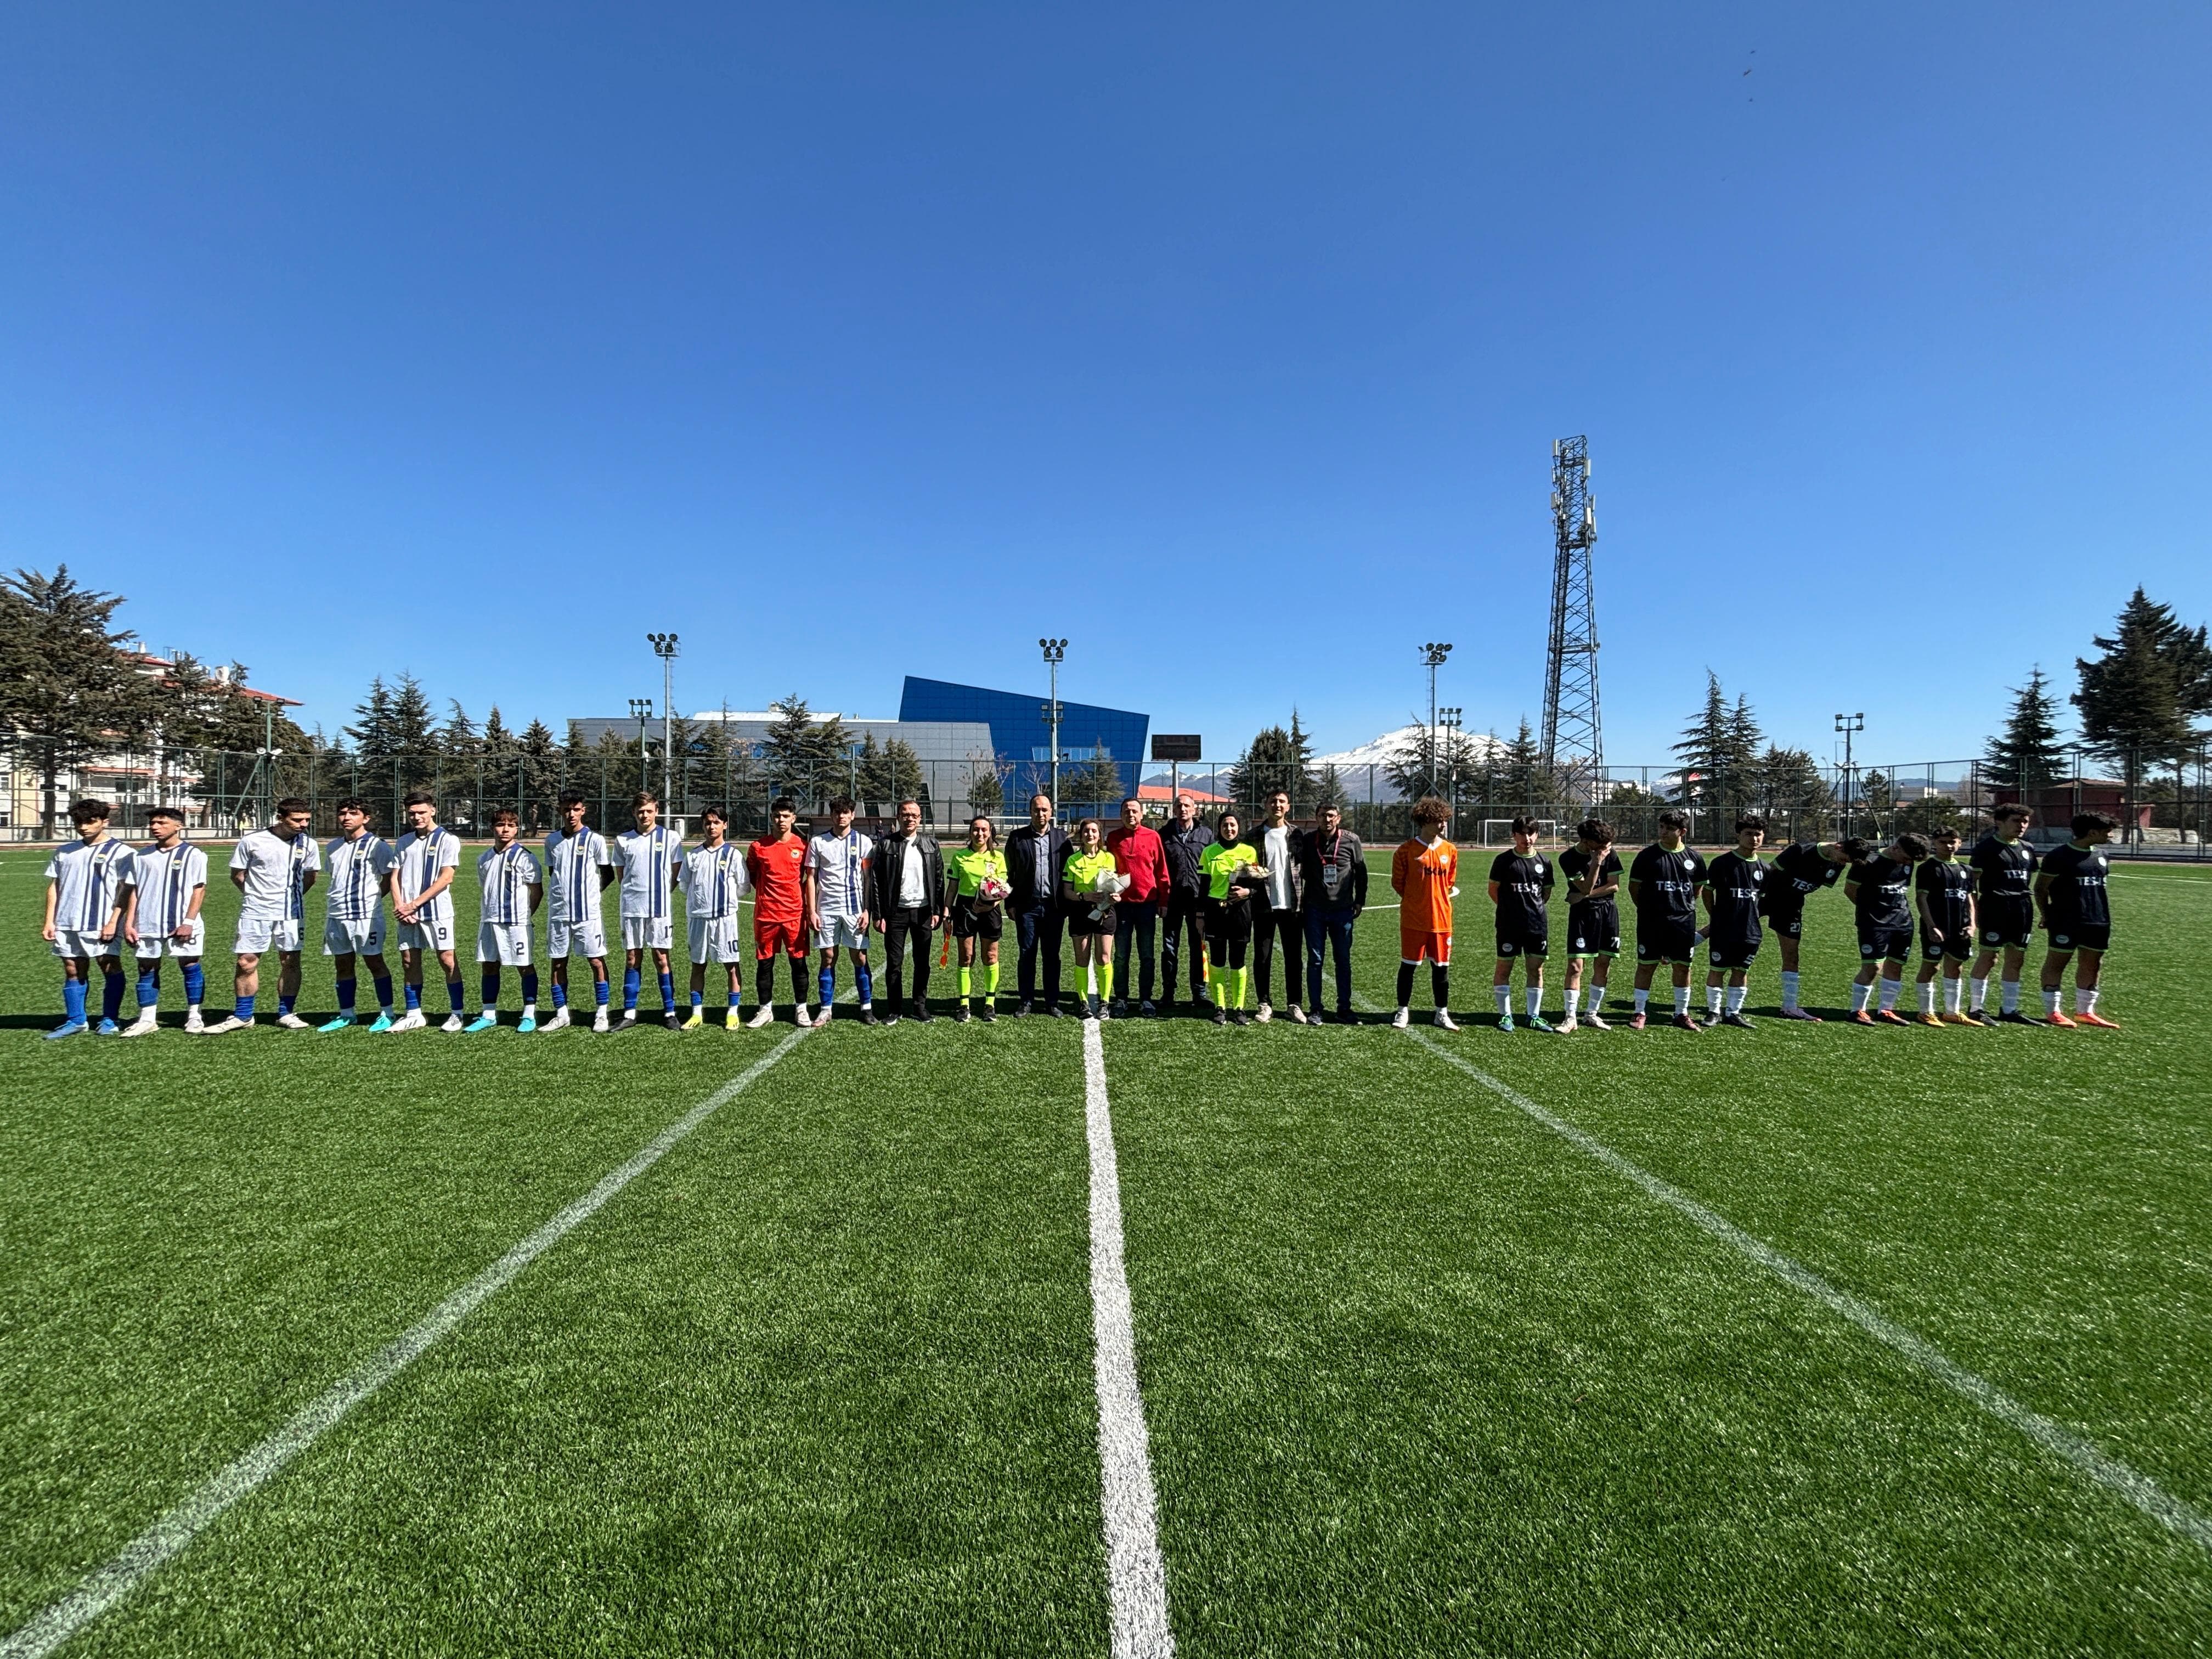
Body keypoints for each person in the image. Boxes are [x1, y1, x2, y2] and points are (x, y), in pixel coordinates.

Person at [205, 797, 320, 1035]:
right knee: (246, 962)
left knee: (290, 962)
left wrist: (292, 899)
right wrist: (256, 897)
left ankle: (286, 1013)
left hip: (291, 913)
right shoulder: (253, 841)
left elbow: (310, 877)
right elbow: (238, 875)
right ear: (280, 818)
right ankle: (243, 1015)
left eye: (307, 820)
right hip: (255, 911)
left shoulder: (309, 844)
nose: (303, 824)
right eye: (297, 820)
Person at [41, 798, 134, 1039]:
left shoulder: (123, 852)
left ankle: (110, 1019)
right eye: (79, 822)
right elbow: (55, 887)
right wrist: (50, 920)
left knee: (108, 966)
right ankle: (76, 1020)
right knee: (72, 969)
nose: (84, 827)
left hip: (101, 922)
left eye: (90, 822)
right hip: (67, 921)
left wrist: (114, 921)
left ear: (105, 822)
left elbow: (127, 890)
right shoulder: (65, 851)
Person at [120, 806, 207, 1036]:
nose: (155, 828)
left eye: (161, 823)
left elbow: (198, 890)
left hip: (182, 921)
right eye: (152, 824)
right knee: (146, 968)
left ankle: (195, 1016)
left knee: (189, 965)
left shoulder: (194, 855)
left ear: (179, 826)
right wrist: (129, 923)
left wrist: (189, 921)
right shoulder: (141, 856)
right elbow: (135, 891)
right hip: (147, 922)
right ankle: (147, 1019)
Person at [1763, 835, 1869, 1021]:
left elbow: (1810, 886)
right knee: (1722, 927)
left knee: (1792, 957)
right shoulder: (1799, 851)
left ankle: (1790, 1007)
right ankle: (1693, 943)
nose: (1843, 864)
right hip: (1765, 898)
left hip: (1791, 907)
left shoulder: (1837, 865)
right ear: (1838, 846)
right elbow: (1768, 872)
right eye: (1844, 859)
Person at [317, 796, 396, 1032]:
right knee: (342, 965)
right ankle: (346, 1014)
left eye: (353, 813)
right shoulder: (332, 847)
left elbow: (389, 879)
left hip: (366, 916)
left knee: (375, 962)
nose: (346, 818)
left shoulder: (378, 846)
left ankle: (387, 1013)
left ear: (366, 818)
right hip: (336, 914)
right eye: (343, 813)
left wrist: (372, 901)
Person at [2036, 811, 2121, 1028]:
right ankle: (2053, 1011)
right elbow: (2041, 888)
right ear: (2092, 832)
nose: (2109, 836)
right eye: (2106, 832)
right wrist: (2046, 914)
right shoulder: (2058, 856)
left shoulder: (2102, 855)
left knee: (2093, 964)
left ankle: (2085, 1011)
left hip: (2099, 920)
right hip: (2066, 920)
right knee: (2057, 963)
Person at [388, 791, 463, 1032]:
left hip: (437, 911)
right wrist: (400, 906)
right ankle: (414, 1013)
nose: (417, 817)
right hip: (407, 913)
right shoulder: (404, 841)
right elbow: (395, 876)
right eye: (412, 813)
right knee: (409, 960)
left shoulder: (447, 840)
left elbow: (447, 877)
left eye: (421, 812)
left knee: (447, 960)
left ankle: (457, 1013)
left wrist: (414, 904)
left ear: (433, 811)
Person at [542, 791, 617, 1032]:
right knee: (557, 963)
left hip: (587, 914)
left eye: (575, 809)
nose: (571, 814)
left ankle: (602, 1013)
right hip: (560, 913)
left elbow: (608, 875)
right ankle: (562, 1013)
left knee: (596, 961)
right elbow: (553, 873)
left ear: (583, 810)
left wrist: (590, 896)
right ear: (560, 811)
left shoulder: (595, 840)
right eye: (566, 809)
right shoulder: (552, 840)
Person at [1627, 809, 1706, 1030]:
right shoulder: (1647, 856)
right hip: (1652, 922)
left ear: (1682, 832)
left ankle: (1681, 1013)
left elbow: (1696, 890)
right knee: (1646, 966)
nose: (1664, 832)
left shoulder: (1694, 858)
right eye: (1661, 827)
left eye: (1670, 829)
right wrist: (1646, 910)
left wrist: (1683, 907)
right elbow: (1634, 888)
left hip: (1683, 922)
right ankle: (1639, 1012)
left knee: (1683, 968)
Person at [612, 791, 684, 1030]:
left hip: (659, 908)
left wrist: (661, 894)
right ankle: (630, 1013)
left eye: (649, 811)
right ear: (634, 813)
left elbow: (675, 875)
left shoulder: (671, 838)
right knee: (632, 957)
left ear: (657, 811)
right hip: (631, 908)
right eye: (640, 811)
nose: (645, 815)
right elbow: (622, 877)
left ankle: (670, 1011)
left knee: (662, 957)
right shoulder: (623, 840)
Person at [467, 808, 543, 1032]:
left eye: (511, 825)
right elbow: (486, 889)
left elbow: (536, 891)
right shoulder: (484, 859)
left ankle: (529, 1014)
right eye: (501, 825)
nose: (505, 829)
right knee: (489, 966)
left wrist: (526, 916)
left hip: (518, 922)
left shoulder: (526, 857)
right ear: (493, 828)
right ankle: (488, 1013)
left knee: (524, 966)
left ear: (517, 829)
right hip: (490, 921)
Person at [869, 798, 944, 1023]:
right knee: (894, 963)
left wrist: (938, 910)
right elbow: (875, 881)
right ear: (898, 817)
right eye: (905, 814)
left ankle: (919, 1006)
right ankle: (894, 1009)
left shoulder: (931, 844)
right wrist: (879, 914)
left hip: (923, 912)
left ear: (920, 819)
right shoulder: (885, 844)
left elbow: (939, 880)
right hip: (895, 913)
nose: (909, 818)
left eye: (914, 815)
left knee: (923, 963)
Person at [1390, 795, 1460, 1031]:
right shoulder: (1406, 850)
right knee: (1408, 966)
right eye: (1438, 821)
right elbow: (1398, 883)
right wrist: (1416, 901)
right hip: (1413, 920)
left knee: (1441, 968)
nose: (1442, 825)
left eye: (1444, 820)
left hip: (1442, 920)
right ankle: (1402, 1011)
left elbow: (1449, 883)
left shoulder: (1450, 850)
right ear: (1424, 821)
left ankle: (1442, 1013)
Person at [1846, 833, 1932, 1025]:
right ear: (1896, 848)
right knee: (1873, 967)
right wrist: (1870, 910)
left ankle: (1886, 1010)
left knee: (1896, 966)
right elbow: (1850, 890)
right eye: (1907, 858)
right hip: (1874, 924)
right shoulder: (1866, 863)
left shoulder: (1908, 863)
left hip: (1903, 923)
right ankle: (1857, 1011)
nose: (1908, 862)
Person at [805, 795, 875, 1026]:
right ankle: (826, 1009)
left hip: (855, 910)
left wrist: (867, 910)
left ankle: (866, 1007)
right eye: (837, 812)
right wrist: (812, 911)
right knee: (828, 958)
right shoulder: (818, 842)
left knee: (860, 957)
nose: (841, 816)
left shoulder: (864, 842)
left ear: (853, 815)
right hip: (826, 910)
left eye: (846, 812)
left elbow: (867, 878)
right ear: (831, 815)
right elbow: (811, 878)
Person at [1968, 805, 2040, 1024]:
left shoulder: (2027, 848)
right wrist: (1975, 912)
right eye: (2017, 821)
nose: (2022, 825)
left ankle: (2009, 1009)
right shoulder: (1986, 848)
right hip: (1995, 907)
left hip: (2023, 908)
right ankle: (1976, 1008)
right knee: (1989, 957)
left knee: (2017, 958)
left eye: (2025, 821)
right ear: (1999, 822)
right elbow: (1972, 885)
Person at [681, 805, 751, 1029]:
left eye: (716, 822)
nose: (712, 827)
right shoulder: (693, 856)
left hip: (725, 920)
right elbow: (684, 885)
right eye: (708, 823)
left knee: (731, 964)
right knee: (698, 965)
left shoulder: (733, 855)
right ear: (703, 825)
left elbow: (744, 887)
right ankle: (696, 1013)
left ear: (725, 825)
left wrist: (726, 902)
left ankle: (732, 1013)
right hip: (698, 919)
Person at [746, 797, 813, 1028]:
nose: (781, 820)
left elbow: (808, 877)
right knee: (765, 965)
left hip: (795, 914)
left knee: (799, 963)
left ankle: (801, 1009)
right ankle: (765, 1009)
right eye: (777, 816)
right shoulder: (758, 847)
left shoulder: (803, 847)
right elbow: (754, 876)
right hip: (766, 915)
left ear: (793, 818)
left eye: (786, 816)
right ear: (771, 818)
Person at [1297, 800, 1366, 1023]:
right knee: (1315, 960)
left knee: (1343, 960)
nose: (1327, 820)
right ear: (1316, 817)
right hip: (1315, 909)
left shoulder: (1351, 840)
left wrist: (1359, 900)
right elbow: (1300, 871)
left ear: (1338, 818)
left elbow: (1361, 872)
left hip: (1342, 910)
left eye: (1331, 816)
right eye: (1322, 815)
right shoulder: (1308, 841)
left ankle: (1344, 1009)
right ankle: (1316, 1009)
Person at [1003, 793, 1071, 1017]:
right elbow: (1009, 873)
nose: (1040, 814)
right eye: (1036, 809)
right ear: (1030, 811)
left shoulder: (1063, 839)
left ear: (1051, 812)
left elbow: (1068, 874)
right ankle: (1026, 1001)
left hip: (1054, 908)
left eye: (1045, 810)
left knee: (1052, 955)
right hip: (1027, 907)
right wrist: (1010, 903)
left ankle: (1052, 1002)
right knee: (1027, 954)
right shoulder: (1017, 838)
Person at [1699, 815, 1768, 1029]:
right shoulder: (1722, 863)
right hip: (1724, 929)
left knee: (1741, 971)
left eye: (1758, 834)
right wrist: (1716, 916)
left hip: (1751, 931)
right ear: (1738, 835)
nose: (1754, 839)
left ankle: (1734, 1013)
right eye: (1749, 834)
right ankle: (1713, 1012)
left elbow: (1765, 900)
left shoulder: (1765, 869)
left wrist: (1754, 917)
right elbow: (1707, 892)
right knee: (1717, 970)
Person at [1198, 809, 1266, 1025]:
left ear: (1239, 827)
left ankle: (1238, 1008)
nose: (1229, 829)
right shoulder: (1209, 852)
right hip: (1215, 909)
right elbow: (1203, 886)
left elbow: (1258, 883)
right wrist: (1200, 914)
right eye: (1225, 825)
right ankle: (1220, 1007)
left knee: (1238, 960)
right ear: (1219, 828)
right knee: (1217, 960)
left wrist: (1248, 893)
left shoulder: (1249, 852)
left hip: (1240, 911)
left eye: (1233, 825)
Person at [1488, 815, 1554, 1032]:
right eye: (1522, 834)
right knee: (1504, 967)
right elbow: (1493, 891)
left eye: (1531, 833)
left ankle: (1533, 1016)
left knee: (1536, 970)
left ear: (1537, 834)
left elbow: (1546, 893)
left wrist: (1531, 910)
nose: (1527, 838)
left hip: (1536, 925)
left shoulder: (1544, 862)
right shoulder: (1503, 861)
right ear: (1514, 835)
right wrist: (1510, 909)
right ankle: (1505, 1015)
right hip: (1509, 925)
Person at [1105, 798, 1170, 1017]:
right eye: (1126, 811)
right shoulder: (1113, 838)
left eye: (1134, 811)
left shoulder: (1153, 837)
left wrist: (1163, 901)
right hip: (1121, 906)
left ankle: (1145, 999)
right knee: (1122, 955)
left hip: (1147, 905)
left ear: (1142, 814)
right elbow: (1106, 871)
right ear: (1121, 814)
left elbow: (1161, 871)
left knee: (1147, 956)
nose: (1130, 815)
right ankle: (1121, 999)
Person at [1249, 789, 1308, 1023]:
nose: (1277, 805)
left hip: (1292, 907)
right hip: (1263, 906)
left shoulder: (1297, 835)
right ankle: (1264, 1003)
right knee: (1262, 957)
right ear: (1265, 805)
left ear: (1288, 807)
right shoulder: (1253, 836)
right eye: (1273, 801)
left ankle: (1294, 1004)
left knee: (1294, 958)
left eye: (1282, 802)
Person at [1556, 818, 1621, 1032]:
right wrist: (1597, 862)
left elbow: (1613, 887)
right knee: (1576, 965)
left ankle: (1592, 1014)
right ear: (1585, 841)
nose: (1605, 848)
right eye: (1600, 845)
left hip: (1607, 913)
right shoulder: (1568, 858)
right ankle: (1570, 1017)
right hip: (1582, 916)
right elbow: (1584, 886)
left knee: (1603, 964)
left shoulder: (1609, 852)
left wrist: (1583, 896)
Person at [944, 815, 1009, 1022]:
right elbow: (953, 887)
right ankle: (964, 1005)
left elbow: (1002, 889)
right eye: (975, 829)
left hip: (990, 910)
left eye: (984, 830)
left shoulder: (998, 857)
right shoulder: (959, 857)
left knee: (990, 956)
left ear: (990, 833)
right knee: (966, 957)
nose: (979, 834)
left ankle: (989, 1004)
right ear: (970, 832)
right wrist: (947, 911)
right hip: (965, 909)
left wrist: (989, 904)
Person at [1912, 826, 1978, 1025]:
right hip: (1937, 926)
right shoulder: (1928, 868)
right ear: (1934, 843)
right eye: (1943, 842)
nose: (1949, 846)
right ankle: (1926, 1011)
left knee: (1956, 967)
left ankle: (1952, 1012)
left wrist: (1972, 925)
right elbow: (1921, 899)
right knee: (1931, 966)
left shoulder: (1966, 870)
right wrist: (1931, 926)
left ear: (1960, 843)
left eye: (1953, 841)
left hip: (1960, 927)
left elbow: (1970, 899)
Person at [1060, 817, 1125, 1019]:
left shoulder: (1109, 858)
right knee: (1082, 958)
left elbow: (1113, 884)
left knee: (1104, 957)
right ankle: (1084, 1003)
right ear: (1081, 835)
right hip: (1081, 913)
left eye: (1094, 831)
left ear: (1100, 835)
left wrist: (1116, 896)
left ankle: (1105, 1002)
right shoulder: (1072, 861)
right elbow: (1066, 892)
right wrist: (1083, 896)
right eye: (1086, 831)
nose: (1090, 834)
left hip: (1106, 912)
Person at [1156, 794, 1215, 1012]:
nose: (1183, 809)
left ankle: (1199, 993)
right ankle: (1168, 992)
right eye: (1179, 805)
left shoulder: (1206, 835)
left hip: (1198, 902)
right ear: (1174, 809)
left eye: (1187, 806)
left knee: (1198, 948)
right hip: (1172, 900)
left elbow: (1213, 867)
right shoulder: (1163, 835)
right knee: (1170, 948)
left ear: (1195, 809)